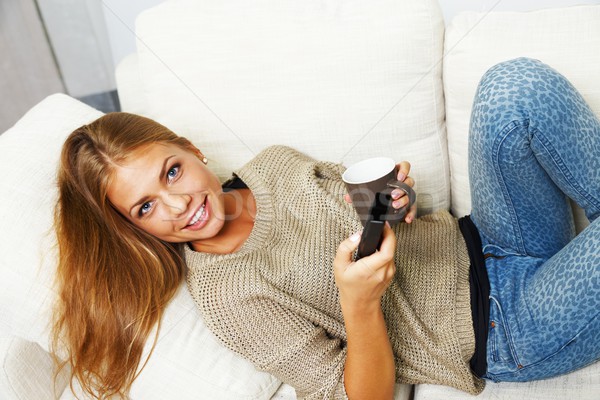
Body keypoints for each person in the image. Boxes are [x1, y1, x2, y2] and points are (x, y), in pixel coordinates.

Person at [52, 57, 599, 399]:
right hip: (502, 327)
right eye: (146, 208)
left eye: (172, 171)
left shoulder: (273, 166)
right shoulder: (228, 297)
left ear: (193, 151)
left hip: (487, 236)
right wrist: (359, 305)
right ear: (135, 230)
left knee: (512, 89)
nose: (177, 203)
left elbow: (368, 205)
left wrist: (395, 198)